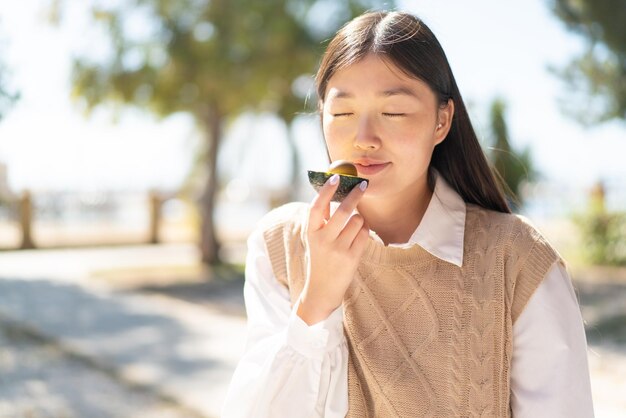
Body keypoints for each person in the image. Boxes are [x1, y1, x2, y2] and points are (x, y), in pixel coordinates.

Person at [222, 10, 594, 418]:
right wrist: (316, 301)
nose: (364, 139)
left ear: (442, 120)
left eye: (394, 112)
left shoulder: (518, 261)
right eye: (343, 114)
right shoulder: (281, 246)